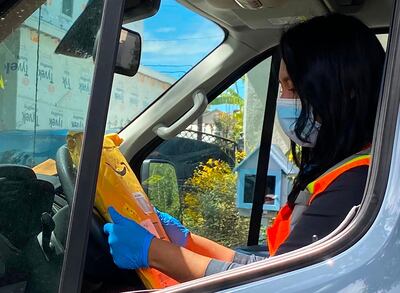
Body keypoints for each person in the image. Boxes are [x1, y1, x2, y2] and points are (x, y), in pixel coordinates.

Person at [103, 13, 385, 283]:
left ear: (345, 90)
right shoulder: (349, 173)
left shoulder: (355, 185)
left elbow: (274, 284)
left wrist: (153, 252)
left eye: (294, 88)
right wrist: (185, 240)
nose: (283, 100)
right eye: (281, 87)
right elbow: (269, 266)